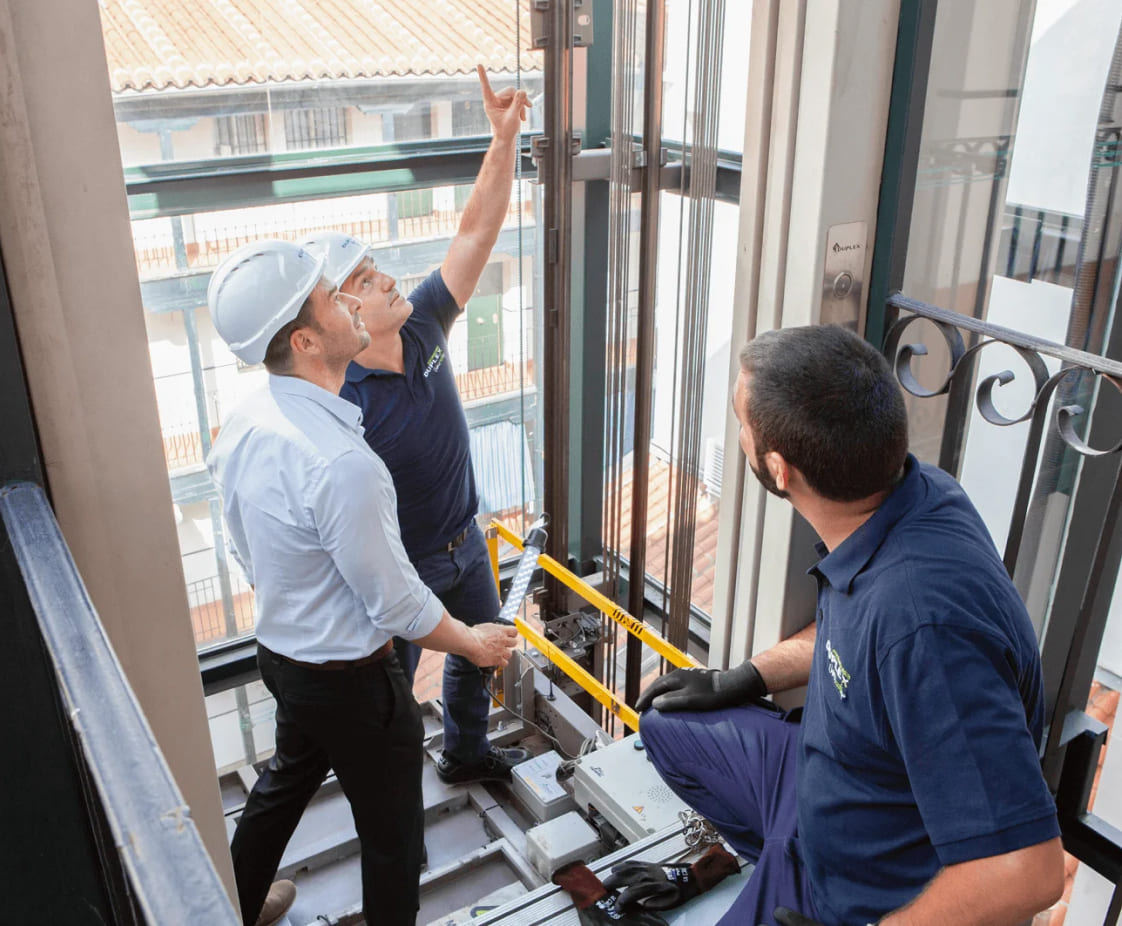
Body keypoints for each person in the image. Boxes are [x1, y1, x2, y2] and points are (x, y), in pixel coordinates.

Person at [634, 325, 1064, 926]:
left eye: (742, 425)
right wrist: (747, 677)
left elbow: (1028, 870)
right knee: (664, 722)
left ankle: (803, 894)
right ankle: (778, 865)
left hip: (866, 884)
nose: (738, 435)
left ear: (778, 471)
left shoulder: (925, 631)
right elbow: (853, 636)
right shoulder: (914, 493)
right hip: (813, 786)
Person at [205, 239, 519, 926]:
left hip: (286, 658)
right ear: (308, 340)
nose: (350, 298)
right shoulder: (344, 462)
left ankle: (230, 906)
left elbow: (244, 547)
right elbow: (397, 603)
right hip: (353, 680)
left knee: (282, 789)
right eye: (332, 295)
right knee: (393, 841)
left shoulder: (246, 424)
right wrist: (472, 643)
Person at [302, 65, 533, 786]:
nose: (390, 281)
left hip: (470, 543)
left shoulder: (427, 321)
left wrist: (502, 141)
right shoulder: (342, 396)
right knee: (389, 697)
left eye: (379, 270)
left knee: (480, 656)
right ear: (341, 313)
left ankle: (464, 755)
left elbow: (474, 232)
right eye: (368, 283)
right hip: (404, 569)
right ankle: (391, 793)